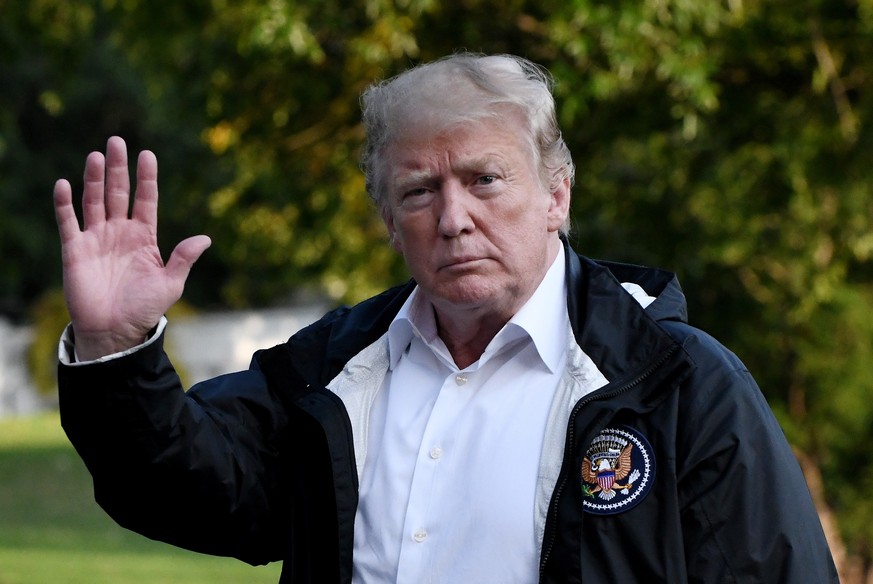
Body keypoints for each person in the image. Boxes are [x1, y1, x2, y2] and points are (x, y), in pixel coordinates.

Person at [54, 53, 839, 583]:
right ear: (387, 221)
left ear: (556, 195)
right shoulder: (330, 373)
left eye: (484, 179)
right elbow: (180, 486)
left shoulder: (677, 383)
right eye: (418, 191)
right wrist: (116, 349)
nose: (453, 217)